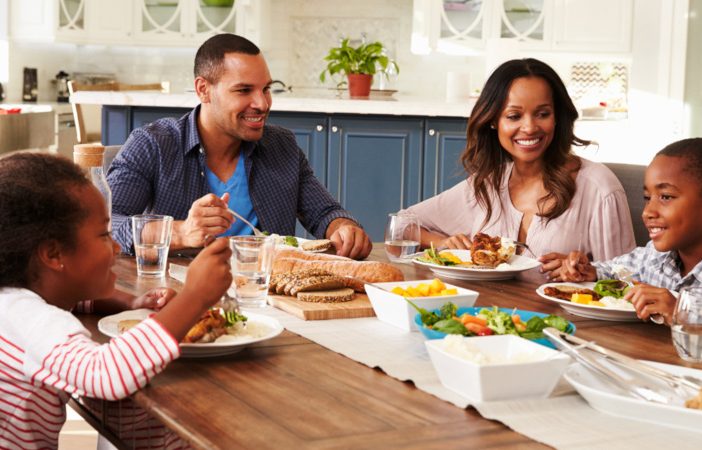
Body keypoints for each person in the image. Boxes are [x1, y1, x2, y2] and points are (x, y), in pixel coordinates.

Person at [0, 152, 232, 449]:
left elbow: (78, 302)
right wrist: (194, 297)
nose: (117, 245)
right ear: (54, 255)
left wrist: (129, 303)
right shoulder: (32, 321)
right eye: (103, 234)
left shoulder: (15, 301)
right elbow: (107, 374)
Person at [108, 33, 371, 259]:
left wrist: (343, 228)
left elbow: (324, 213)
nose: (262, 103)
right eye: (244, 90)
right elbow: (105, 227)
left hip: (267, 296)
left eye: (266, 89)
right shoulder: (153, 144)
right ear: (203, 90)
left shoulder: (282, 146)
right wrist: (181, 231)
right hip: (179, 298)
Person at [402, 58, 635, 278]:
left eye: (543, 114)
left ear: (557, 118)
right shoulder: (488, 184)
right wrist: (442, 243)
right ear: (493, 121)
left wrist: (586, 271)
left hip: (569, 321)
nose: (530, 127)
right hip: (487, 316)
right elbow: (402, 225)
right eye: (514, 116)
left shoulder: (599, 188)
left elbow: (627, 278)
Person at [555, 138, 702, 325]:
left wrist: (680, 312)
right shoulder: (655, 257)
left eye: (666, 197)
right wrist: (586, 270)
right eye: (647, 198)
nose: (648, 212)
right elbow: (616, 271)